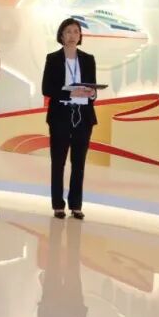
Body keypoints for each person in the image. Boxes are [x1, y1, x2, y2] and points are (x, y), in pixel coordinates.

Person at [42, 18, 97, 220]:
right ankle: (58, 205)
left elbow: (93, 88)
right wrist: (70, 94)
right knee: (58, 162)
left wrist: (92, 94)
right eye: (68, 31)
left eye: (76, 31)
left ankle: (76, 205)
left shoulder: (88, 59)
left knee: (79, 163)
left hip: (83, 116)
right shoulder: (53, 58)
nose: (72, 35)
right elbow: (47, 88)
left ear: (80, 36)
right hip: (60, 115)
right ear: (61, 35)